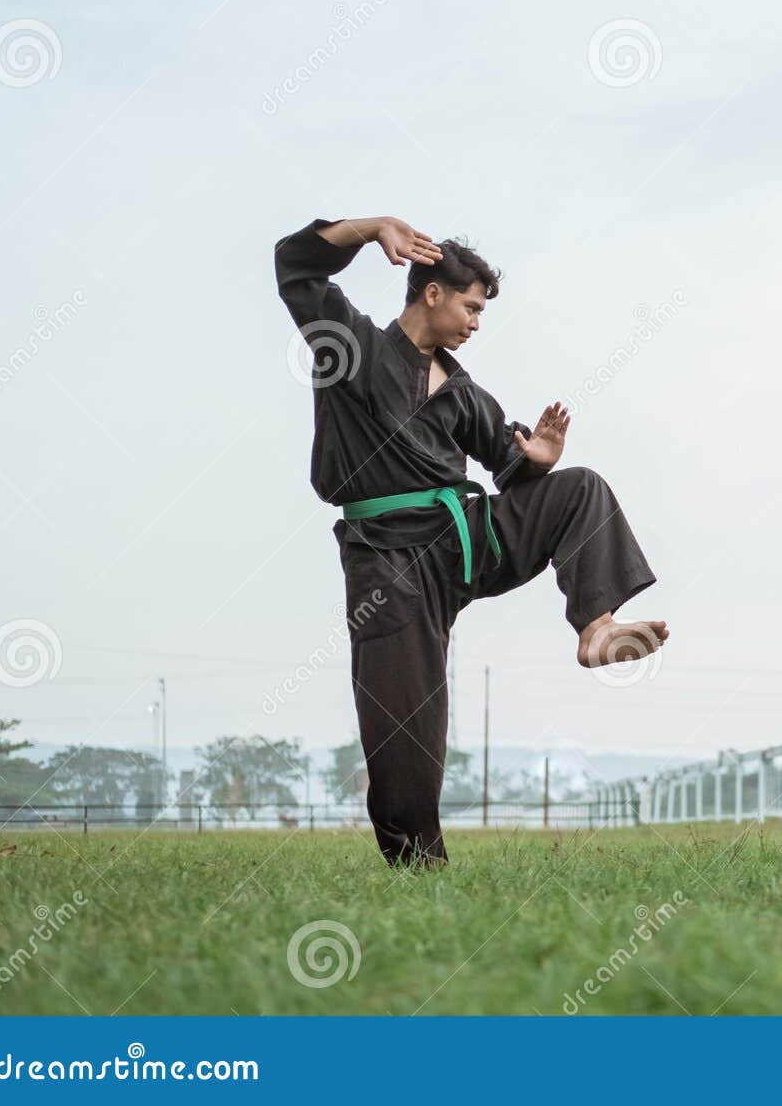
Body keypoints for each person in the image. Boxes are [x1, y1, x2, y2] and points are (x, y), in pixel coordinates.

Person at [274, 214, 667, 867]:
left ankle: (595, 625)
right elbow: (295, 263)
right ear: (432, 292)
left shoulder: (463, 392)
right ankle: (419, 867)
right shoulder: (352, 346)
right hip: (389, 562)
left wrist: (540, 457)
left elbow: (510, 472)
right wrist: (371, 228)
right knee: (407, 722)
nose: (477, 322)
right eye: (472, 306)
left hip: (467, 541)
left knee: (581, 489)